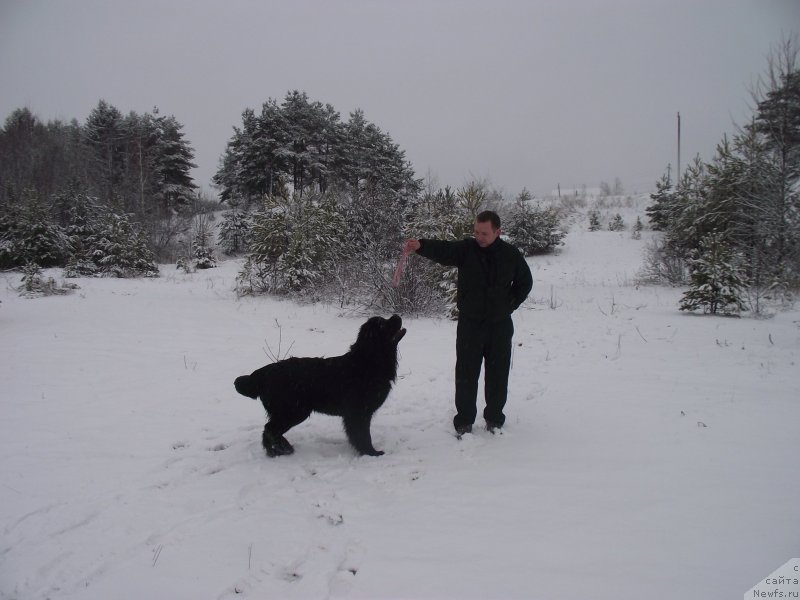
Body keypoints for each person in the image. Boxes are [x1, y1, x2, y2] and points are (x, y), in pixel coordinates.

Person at [404, 210, 533, 436]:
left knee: (498, 374)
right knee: (466, 374)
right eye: (476, 232)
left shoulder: (510, 255)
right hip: (470, 325)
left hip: (499, 325)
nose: (479, 237)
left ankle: (494, 418)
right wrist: (421, 246)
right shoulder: (466, 250)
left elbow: (525, 282)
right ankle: (464, 421)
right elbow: (444, 250)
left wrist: (509, 305)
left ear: (498, 231)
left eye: (484, 233)